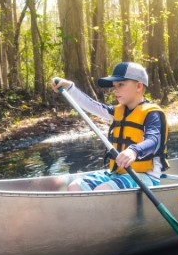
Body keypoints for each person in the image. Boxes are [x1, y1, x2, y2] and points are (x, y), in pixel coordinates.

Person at [51, 62, 168, 191]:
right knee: (75, 187)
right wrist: (69, 87)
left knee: (103, 190)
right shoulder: (117, 111)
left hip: (146, 177)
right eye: (114, 86)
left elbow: (153, 140)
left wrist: (133, 151)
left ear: (139, 86)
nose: (115, 89)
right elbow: (91, 105)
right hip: (117, 173)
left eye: (121, 84)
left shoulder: (152, 114)